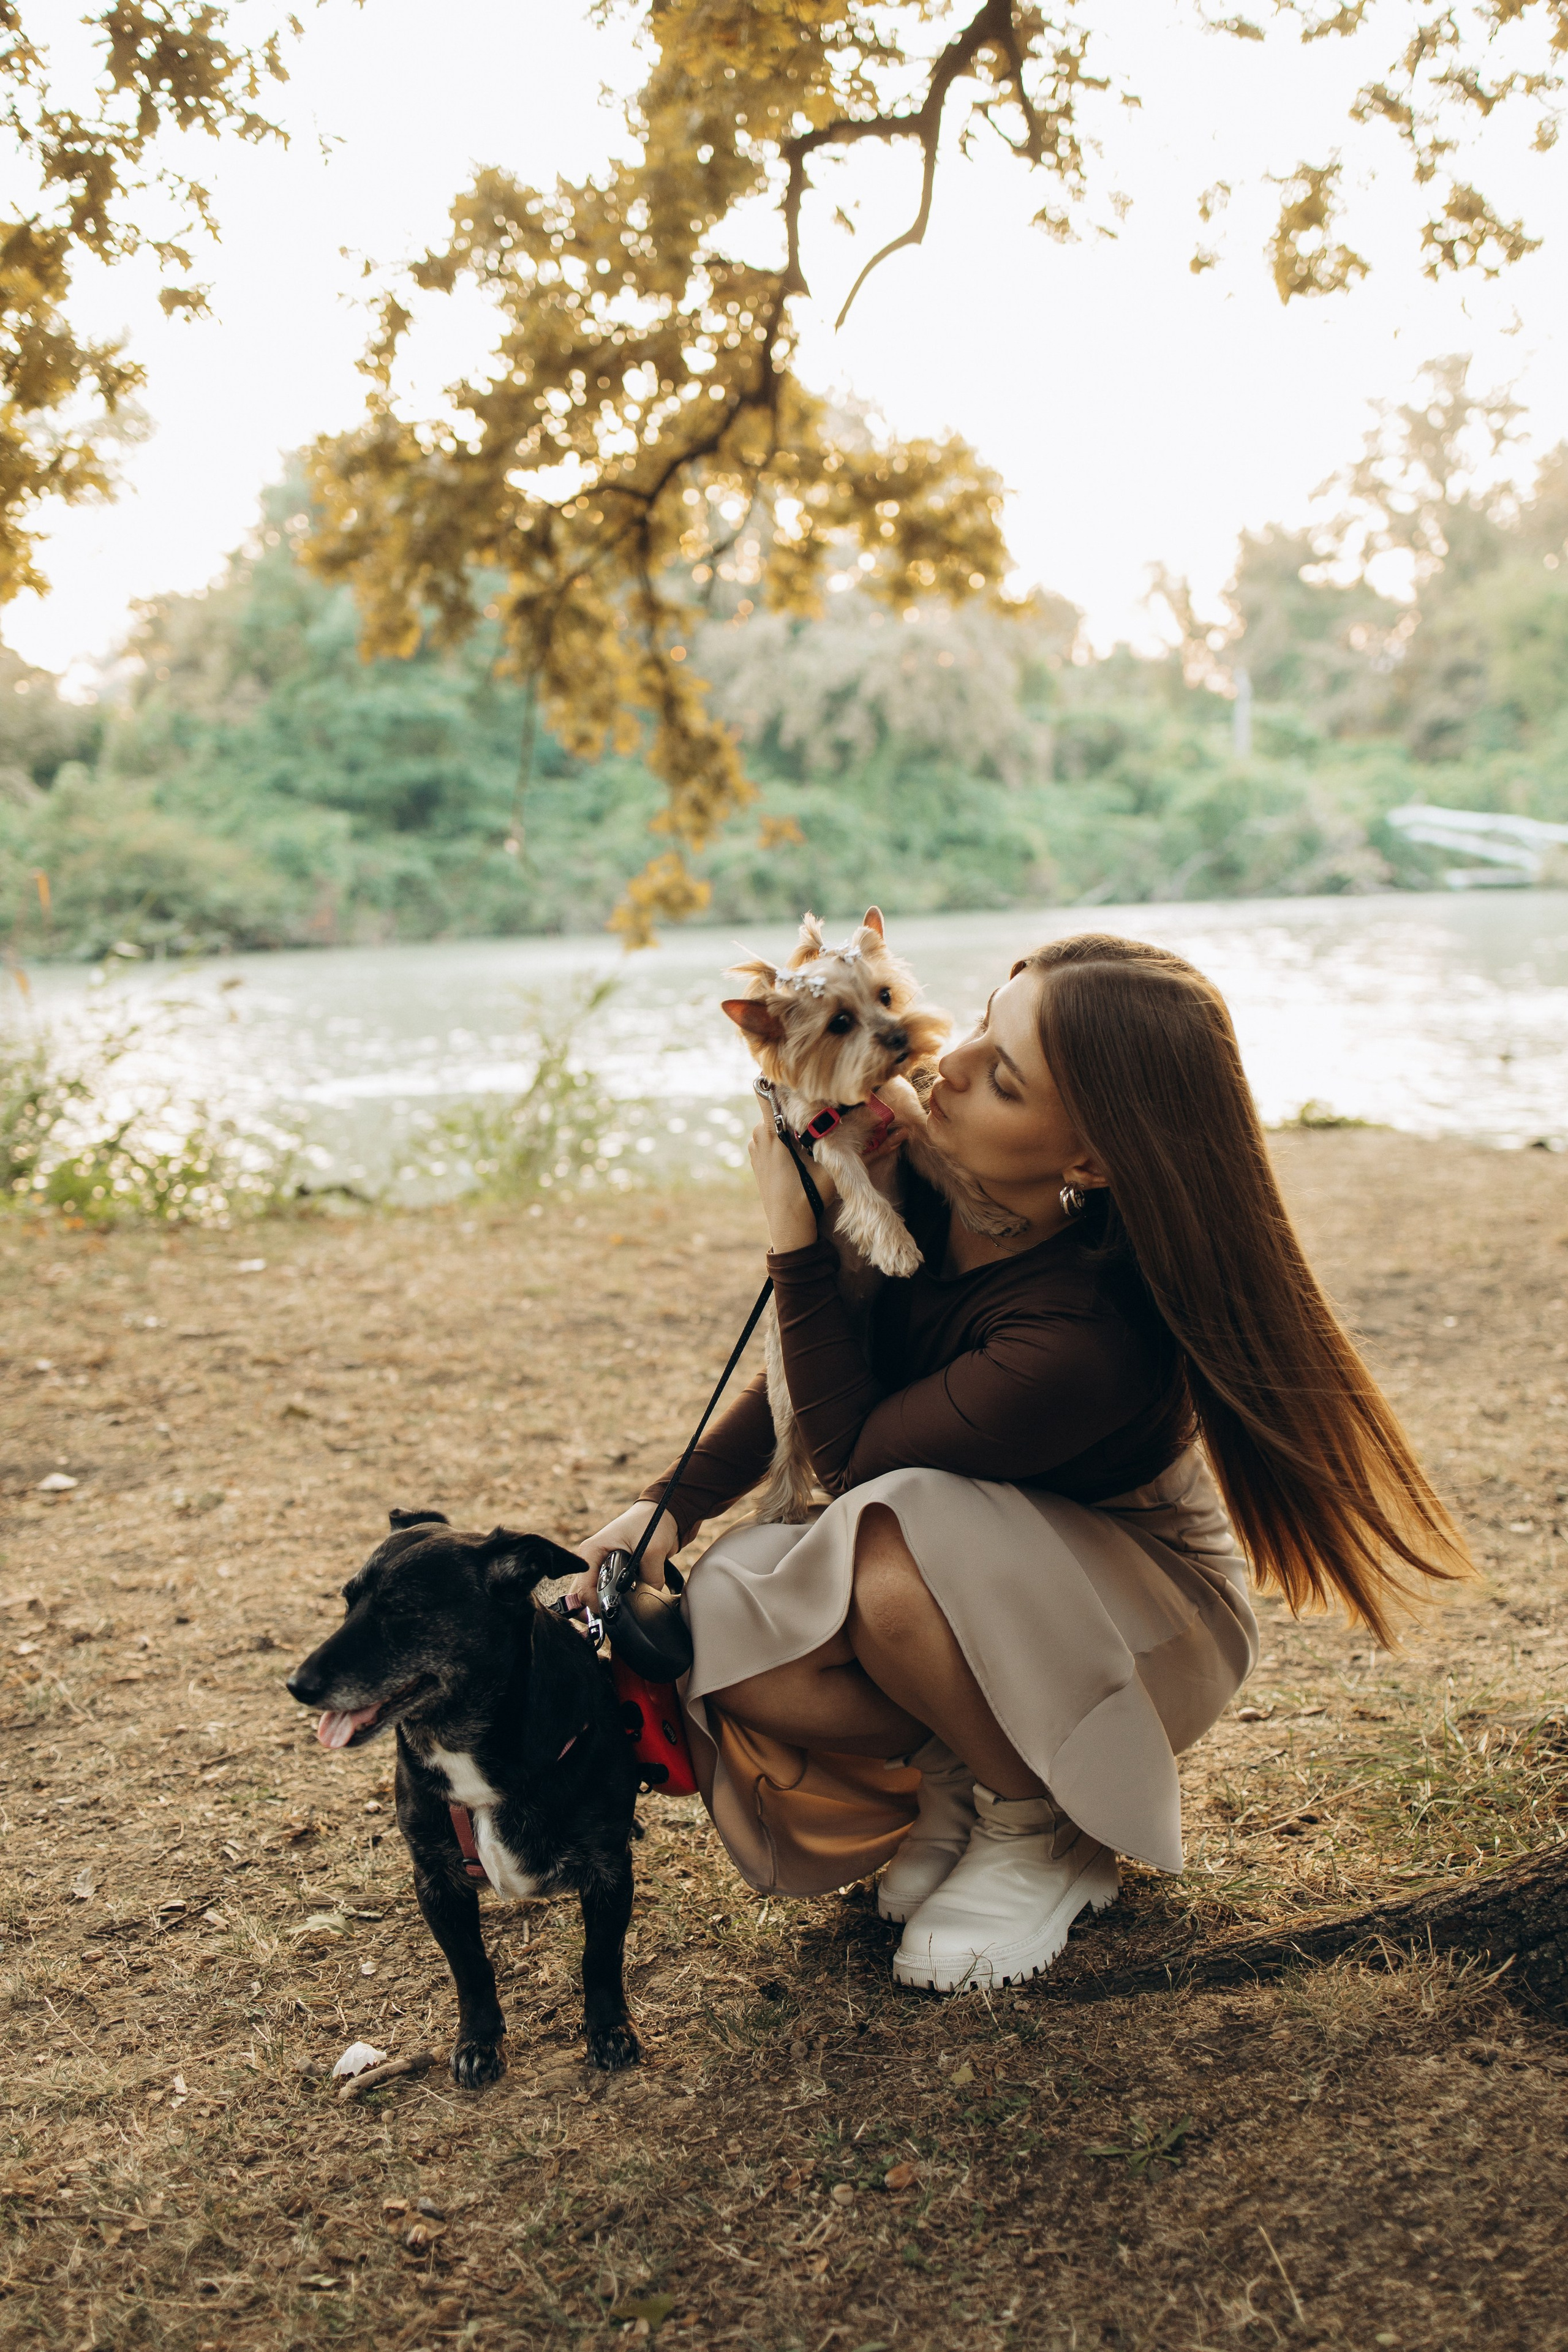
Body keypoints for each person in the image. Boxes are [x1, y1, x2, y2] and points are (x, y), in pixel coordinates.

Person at [568, 934, 1469, 1992]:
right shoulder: (921, 1192)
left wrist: (795, 1240)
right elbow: (812, 1384)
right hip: (974, 1570)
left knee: (890, 1538)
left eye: (1001, 1075)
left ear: (1088, 1160)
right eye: (985, 1023)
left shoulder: (1083, 1333)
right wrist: (665, 1511)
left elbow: (858, 1466)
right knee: (728, 1613)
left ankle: (1042, 1827)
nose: (945, 1062)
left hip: (1140, 1620)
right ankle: (970, 1769)